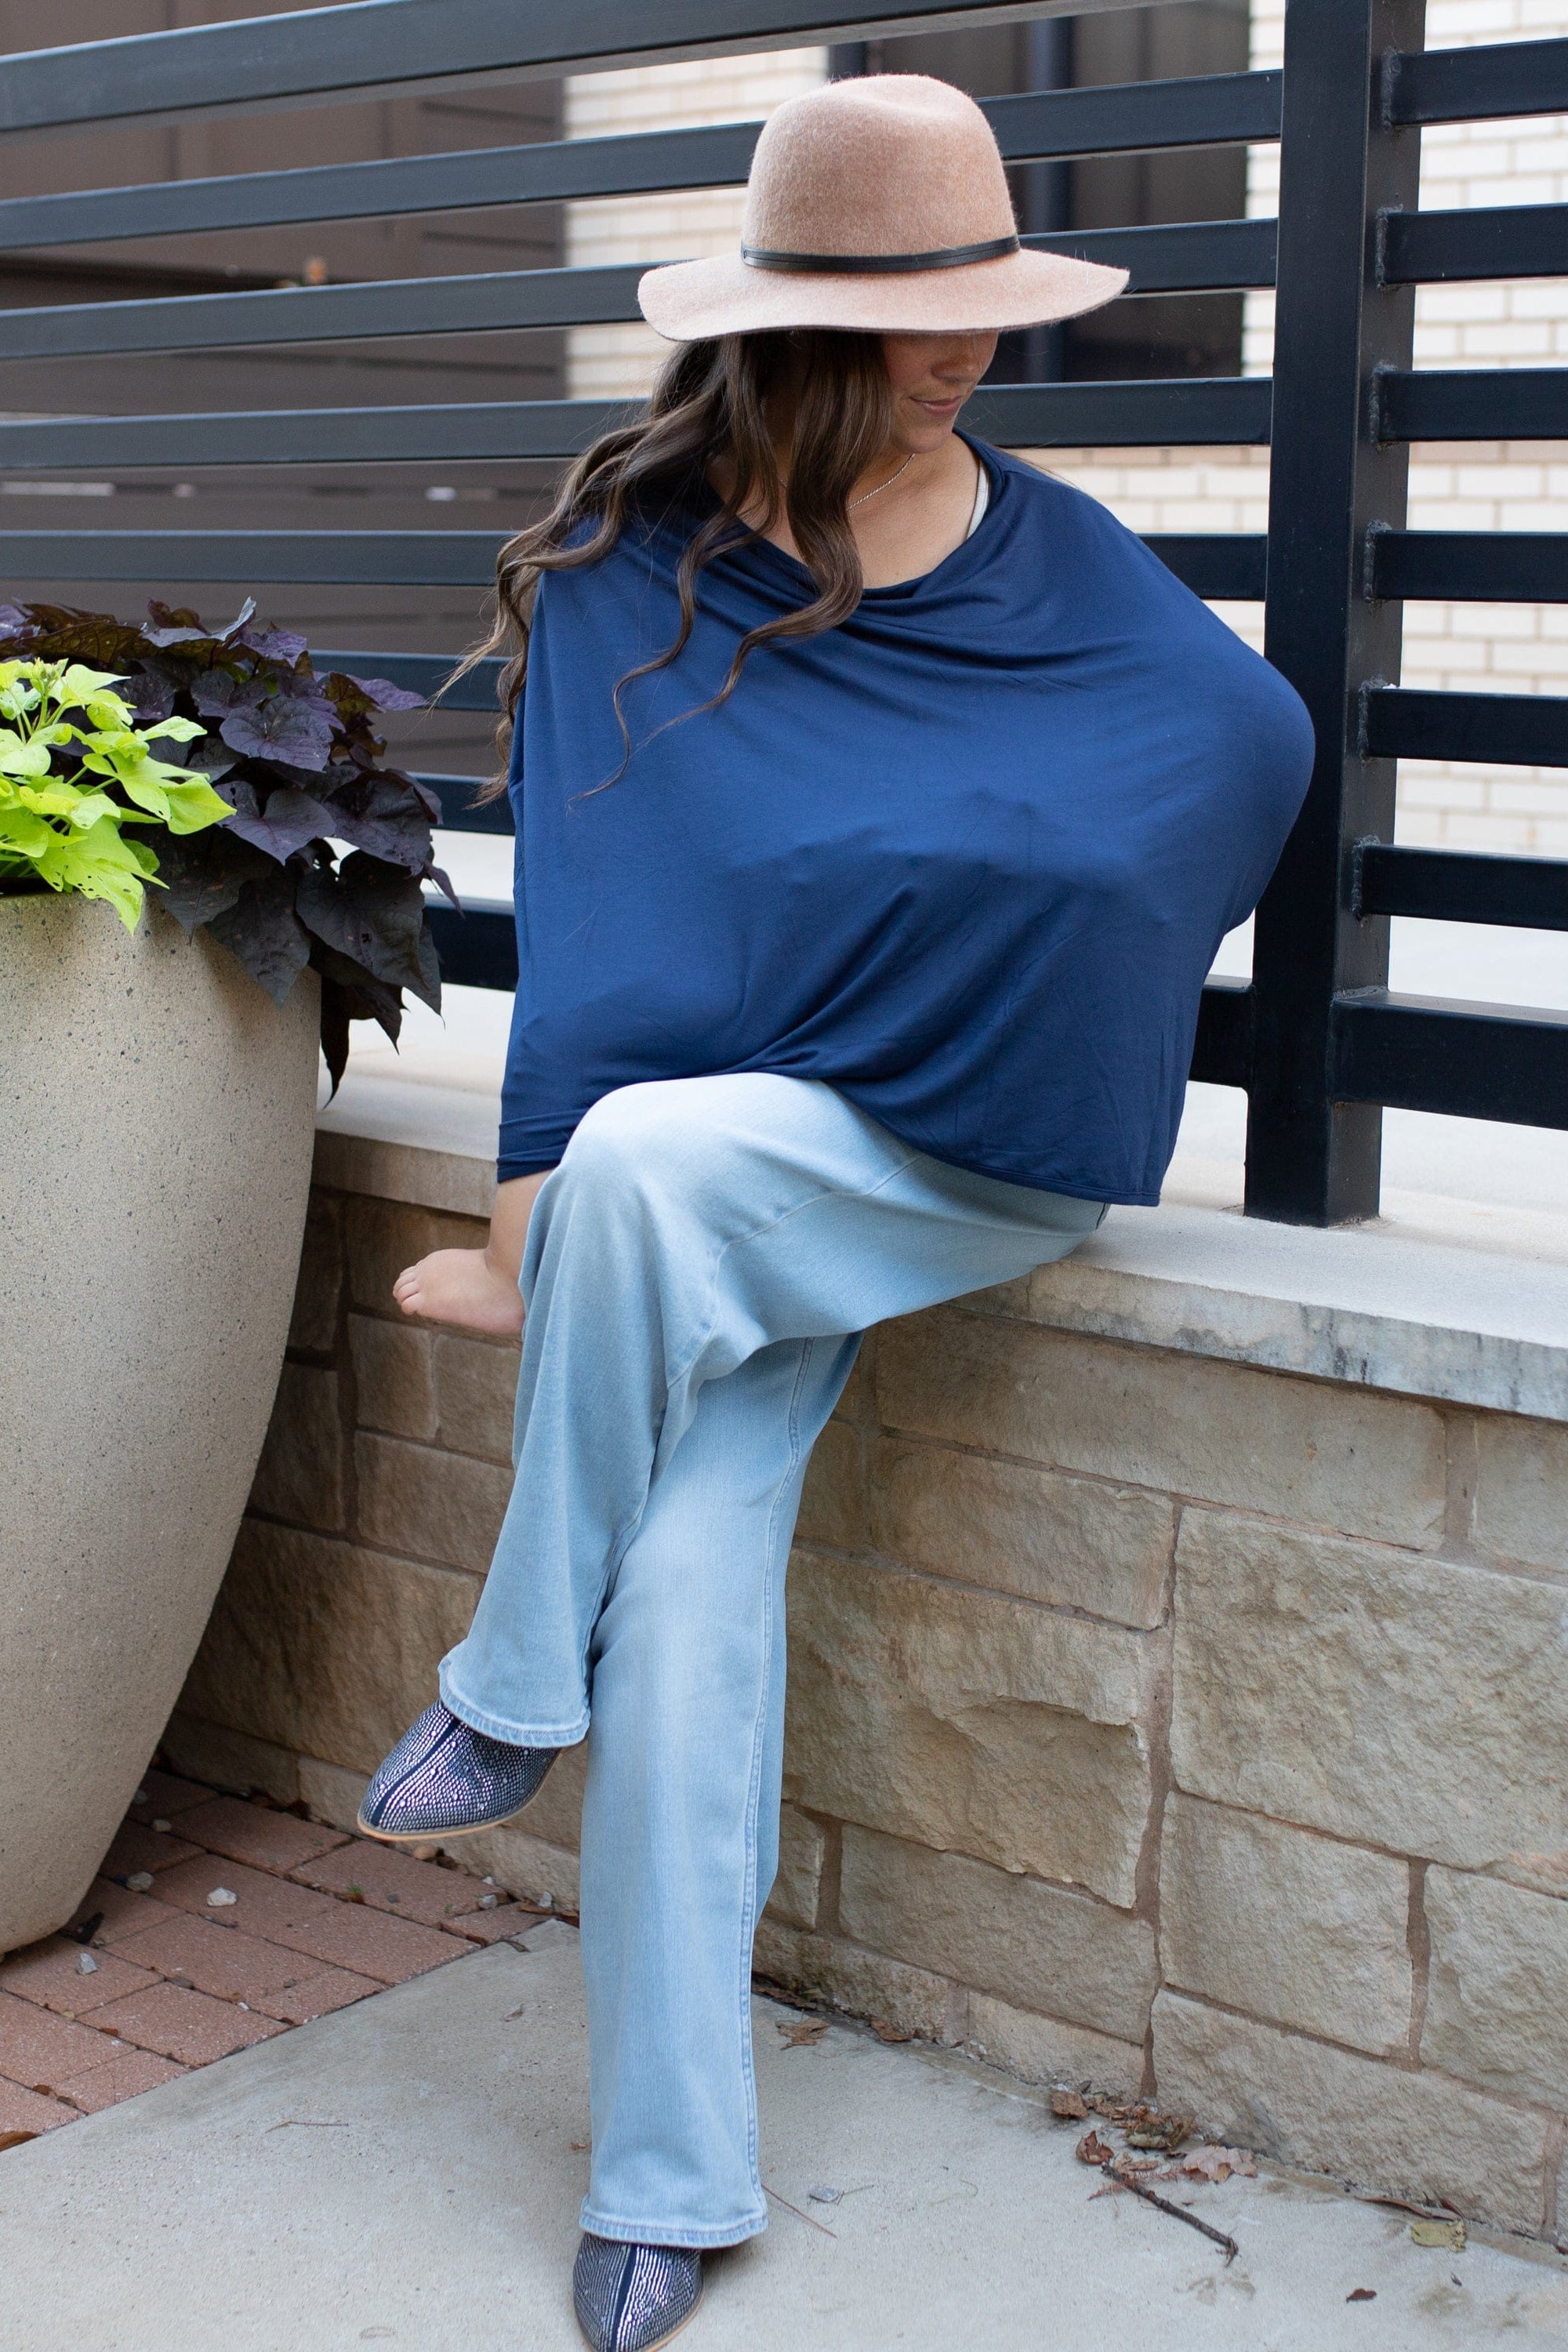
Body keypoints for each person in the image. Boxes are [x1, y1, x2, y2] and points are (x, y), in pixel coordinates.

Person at [356, 74, 1314, 2352]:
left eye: (990, 303)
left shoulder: (1058, 558)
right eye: (918, 315)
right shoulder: (635, 578)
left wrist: (1045, 942)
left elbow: (1239, 741)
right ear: (792, 322)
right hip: (720, 1187)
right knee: (684, 1584)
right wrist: (529, 1234)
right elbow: (601, 933)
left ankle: (505, 1674)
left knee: (662, 1169)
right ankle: (668, 2185)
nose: (970, 349)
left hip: (961, 1166)